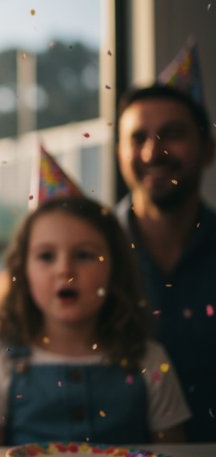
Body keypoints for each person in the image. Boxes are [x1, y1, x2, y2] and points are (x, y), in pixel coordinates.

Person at [0, 196, 191, 446]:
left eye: (84, 255)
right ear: (23, 271)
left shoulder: (149, 360)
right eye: (46, 256)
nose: (65, 269)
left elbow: (172, 451)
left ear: (115, 269)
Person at [114, 84, 216, 441]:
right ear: (119, 153)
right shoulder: (89, 254)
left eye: (172, 134)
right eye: (137, 137)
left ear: (209, 149)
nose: (153, 152)